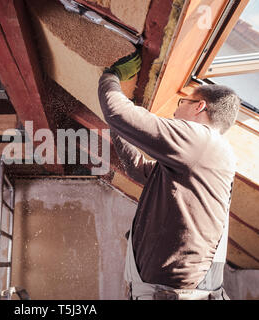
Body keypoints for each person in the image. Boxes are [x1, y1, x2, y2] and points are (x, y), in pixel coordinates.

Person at [98, 52, 240, 300]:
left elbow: (117, 113)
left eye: (181, 103)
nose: (175, 113)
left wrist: (112, 76)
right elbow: (137, 167)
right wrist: (120, 127)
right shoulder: (202, 156)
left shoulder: (200, 140)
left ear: (200, 106)